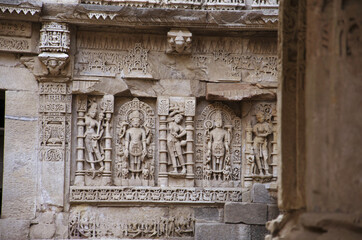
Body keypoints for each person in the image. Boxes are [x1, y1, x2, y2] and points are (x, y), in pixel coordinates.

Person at [124, 110, 147, 179]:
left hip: (139, 146)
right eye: (134, 121)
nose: (136, 123)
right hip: (131, 146)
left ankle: (137, 175)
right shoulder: (129, 131)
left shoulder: (142, 130)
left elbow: (144, 140)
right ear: (131, 121)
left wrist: (144, 148)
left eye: (137, 121)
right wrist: (126, 149)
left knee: (139, 161)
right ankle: (133, 175)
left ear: (140, 122)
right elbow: (127, 140)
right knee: (132, 161)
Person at [206, 111, 230, 175]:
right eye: (217, 120)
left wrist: (227, 148)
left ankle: (220, 175)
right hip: (214, 146)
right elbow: (210, 141)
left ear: (222, 122)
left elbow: (225, 141)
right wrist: (209, 149)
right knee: (213, 161)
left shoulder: (224, 132)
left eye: (220, 120)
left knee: (221, 162)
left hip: (221, 147)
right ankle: (213, 175)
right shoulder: (212, 132)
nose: (219, 122)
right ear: (214, 122)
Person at [84, 101, 104, 171]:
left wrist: (99, 135)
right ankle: (92, 167)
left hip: (93, 136)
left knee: (96, 151)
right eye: (92, 112)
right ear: (89, 112)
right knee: (89, 152)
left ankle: (102, 166)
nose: (94, 114)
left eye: (95, 113)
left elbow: (101, 129)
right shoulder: (85, 117)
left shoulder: (95, 121)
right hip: (87, 136)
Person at [167, 109, 187, 174]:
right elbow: (169, 116)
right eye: (178, 118)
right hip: (170, 139)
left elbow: (185, 131)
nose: (179, 120)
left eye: (180, 119)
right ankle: (175, 169)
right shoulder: (170, 122)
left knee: (179, 154)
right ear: (174, 118)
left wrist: (179, 136)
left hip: (176, 140)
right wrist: (176, 111)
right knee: (172, 155)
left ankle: (184, 168)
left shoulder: (179, 126)